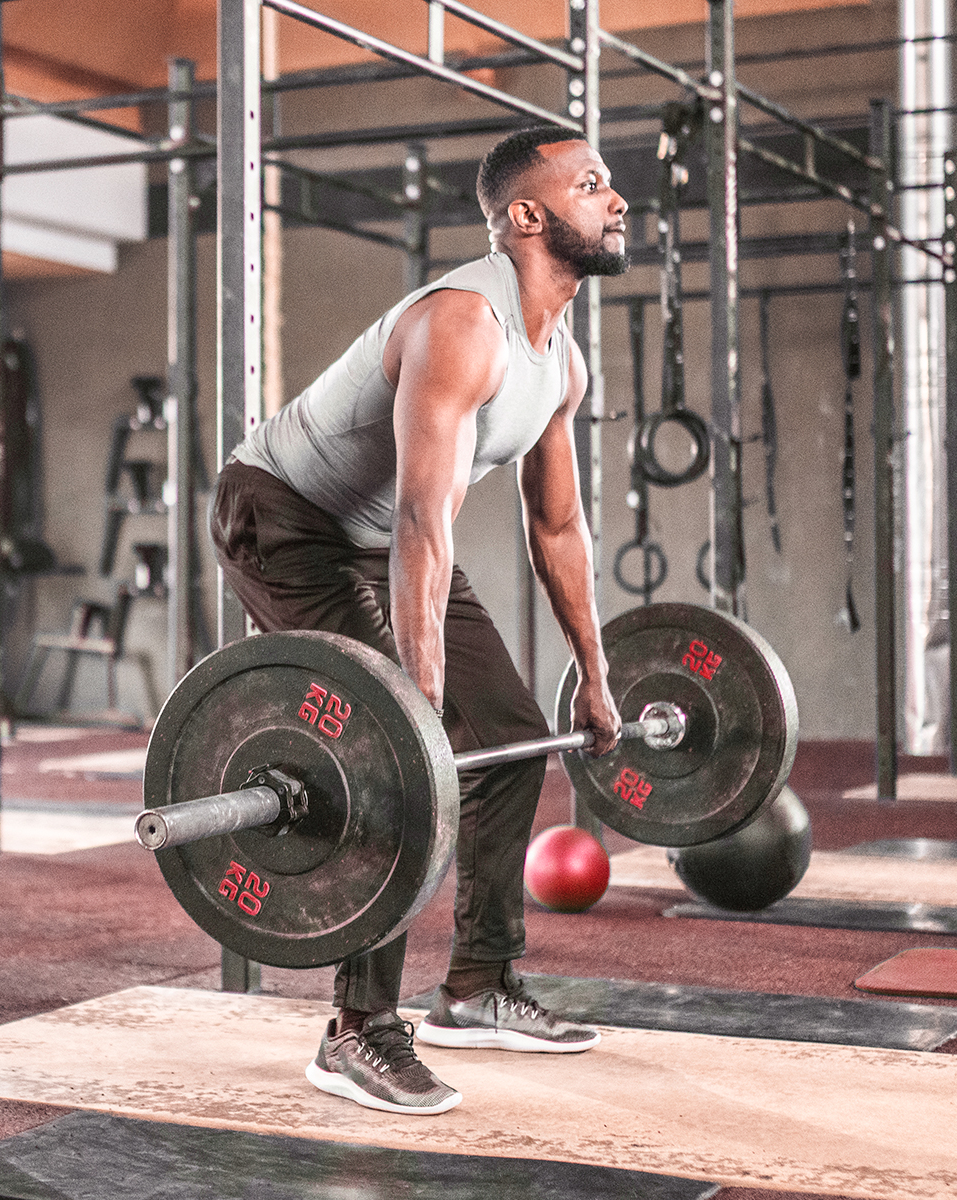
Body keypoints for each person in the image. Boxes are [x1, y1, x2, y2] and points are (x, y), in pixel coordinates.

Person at [210, 126, 629, 1116]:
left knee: (516, 741)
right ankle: (357, 1029)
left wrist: (597, 674)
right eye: (594, 185)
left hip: (383, 535)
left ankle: (478, 984)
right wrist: (413, 702)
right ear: (529, 217)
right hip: (284, 516)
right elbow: (418, 516)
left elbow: (558, 528)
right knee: (391, 757)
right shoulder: (461, 324)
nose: (618, 202)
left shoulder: (559, 360)